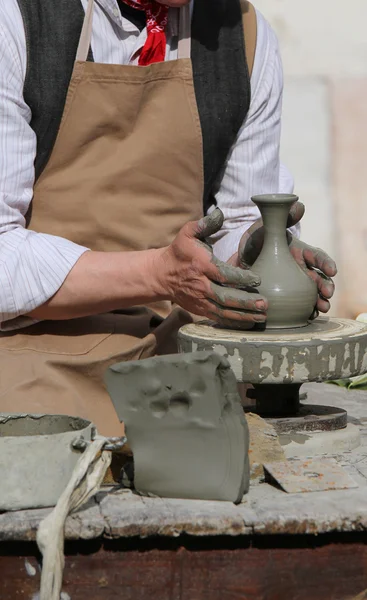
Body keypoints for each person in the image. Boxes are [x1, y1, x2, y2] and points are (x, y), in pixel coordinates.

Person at [0, 0, 336, 435]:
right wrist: (158, 274)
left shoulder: (244, 34)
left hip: (181, 344)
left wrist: (258, 255)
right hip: (36, 348)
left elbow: (237, 217)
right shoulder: (20, 19)